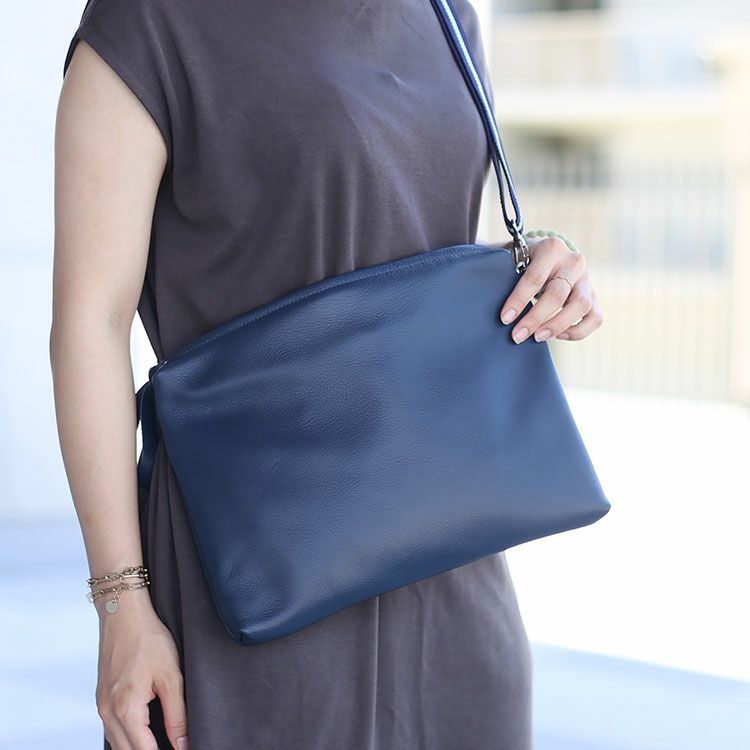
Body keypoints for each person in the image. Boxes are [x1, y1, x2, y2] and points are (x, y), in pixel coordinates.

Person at [51, 1, 602, 748]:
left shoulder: (446, 13)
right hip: (251, 571)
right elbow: (90, 321)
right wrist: (120, 606)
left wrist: (544, 264)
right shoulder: (152, 20)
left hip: (454, 569)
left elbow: (420, 243)